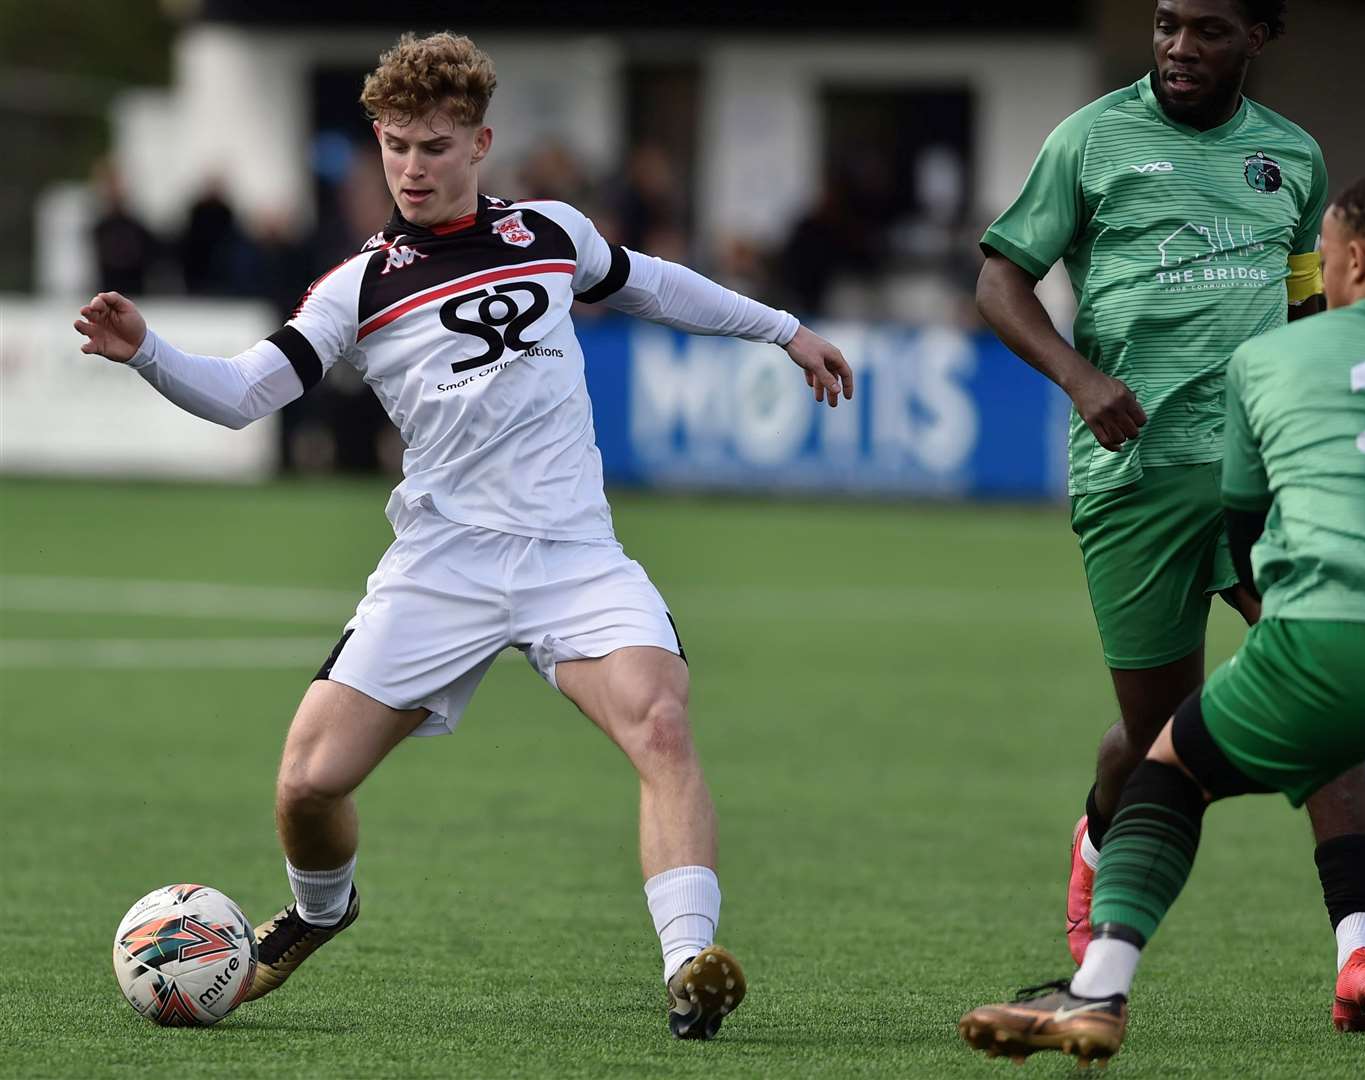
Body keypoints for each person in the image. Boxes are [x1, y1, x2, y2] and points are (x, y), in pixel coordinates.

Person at [73, 31, 852, 1042]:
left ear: (479, 143)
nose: (410, 167)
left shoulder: (551, 233)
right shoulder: (361, 284)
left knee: (660, 723)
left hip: (574, 557)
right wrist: (149, 353)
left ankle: (688, 968)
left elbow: (658, 284)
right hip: (441, 566)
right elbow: (242, 395)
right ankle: (320, 914)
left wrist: (784, 329)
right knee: (308, 784)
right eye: (394, 146)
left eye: (433, 147)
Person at [960, 171, 1365, 1064]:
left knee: (1167, 775)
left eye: (1324, 252)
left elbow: (1246, 524)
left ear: (1355, 257)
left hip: (1329, 634)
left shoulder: (1266, 361)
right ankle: (1356, 948)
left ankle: (1096, 993)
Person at [973, 0, 1365, 1020]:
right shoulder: (1090, 139)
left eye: (1208, 29)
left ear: (1261, 36)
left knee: (1328, 677)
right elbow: (1000, 279)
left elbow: (1306, 299)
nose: (1178, 46)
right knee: (1161, 743)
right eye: (1168, 24)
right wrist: (1082, 380)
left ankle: (1361, 955)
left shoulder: (1293, 160)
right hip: (1133, 481)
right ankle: (1099, 837)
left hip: (1266, 475)